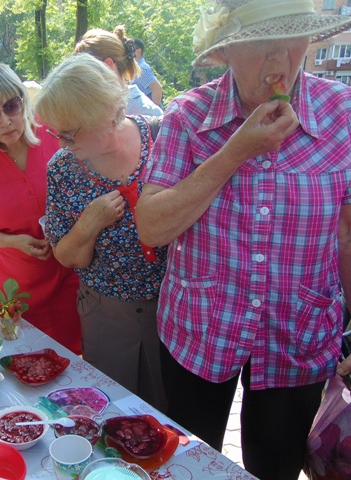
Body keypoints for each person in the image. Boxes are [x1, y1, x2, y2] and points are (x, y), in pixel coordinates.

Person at [134, 1, 351, 478]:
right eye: (261, 47)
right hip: (201, 330)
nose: (279, 63)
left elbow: (348, 233)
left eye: (291, 43)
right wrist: (237, 151)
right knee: (192, 463)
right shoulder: (187, 116)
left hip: (299, 334)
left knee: (276, 466)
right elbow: (151, 226)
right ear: (227, 51)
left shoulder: (343, 113)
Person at [35, 53, 167, 409]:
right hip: (105, 315)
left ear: (106, 112)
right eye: (55, 132)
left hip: (175, 312)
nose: (61, 142)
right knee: (114, 414)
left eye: (69, 131)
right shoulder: (63, 168)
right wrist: (88, 223)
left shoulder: (163, 138)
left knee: (177, 422)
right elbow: (65, 256)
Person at [0, 63, 81, 354]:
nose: (5, 121)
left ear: (24, 100)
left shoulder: (53, 133)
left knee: (76, 363)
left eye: (11, 106)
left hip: (70, 274)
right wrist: (12, 242)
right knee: (26, 363)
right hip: (18, 286)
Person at [74, 26, 162, 117]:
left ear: (107, 65)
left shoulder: (150, 114)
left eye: (85, 71)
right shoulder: (86, 109)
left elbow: (157, 88)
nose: (80, 79)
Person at [130, 38, 163, 106]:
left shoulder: (141, 68)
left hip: (149, 113)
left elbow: (157, 88)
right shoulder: (137, 68)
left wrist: (153, 112)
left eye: (130, 50)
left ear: (138, 51)